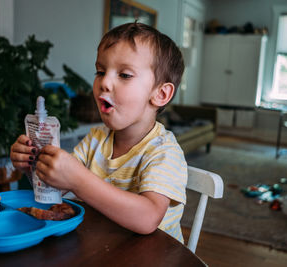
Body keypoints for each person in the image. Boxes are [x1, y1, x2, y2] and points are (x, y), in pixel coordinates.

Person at [10, 22, 187, 242]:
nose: (104, 82)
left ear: (160, 94)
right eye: (100, 71)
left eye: (124, 75)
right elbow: (59, 187)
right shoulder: (96, 138)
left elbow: (148, 219)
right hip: (103, 247)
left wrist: (78, 180)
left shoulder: (164, 152)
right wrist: (34, 164)